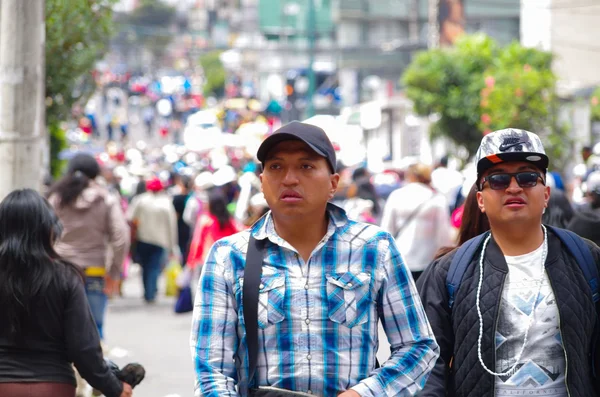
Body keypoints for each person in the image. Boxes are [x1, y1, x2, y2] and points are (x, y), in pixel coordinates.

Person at [190, 121, 439, 396]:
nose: (289, 179)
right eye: (276, 167)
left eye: (306, 166)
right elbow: (212, 369)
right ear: (262, 182)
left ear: (333, 183)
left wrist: (366, 393)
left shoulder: (374, 248)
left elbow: (418, 346)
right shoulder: (230, 256)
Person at [417, 128, 600, 396]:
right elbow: (427, 366)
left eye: (527, 178)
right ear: (480, 199)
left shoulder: (586, 259)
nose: (514, 187)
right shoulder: (448, 272)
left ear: (546, 195)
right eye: (499, 179)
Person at [0, 189, 132, 397]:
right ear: (48, 230)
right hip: (52, 386)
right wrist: (113, 387)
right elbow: (83, 348)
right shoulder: (65, 278)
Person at [47, 153, 130, 339]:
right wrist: (113, 273)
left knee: (59, 329)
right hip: (94, 271)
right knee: (94, 329)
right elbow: (121, 237)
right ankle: (94, 367)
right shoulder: (106, 199)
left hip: (60, 271)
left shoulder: (56, 198)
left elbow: (43, 231)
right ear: (95, 174)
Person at [380, 163, 453, 282]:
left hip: (400, 257)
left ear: (410, 176)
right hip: (427, 259)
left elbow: (387, 228)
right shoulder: (436, 198)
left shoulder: (397, 195)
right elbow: (443, 234)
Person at [127, 177, 178, 303]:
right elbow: (171, 226)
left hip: (143, 239)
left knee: (145, 266)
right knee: (154, 266)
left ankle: (147, 292)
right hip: (160, 241)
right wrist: (172, 246)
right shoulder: (166, 202)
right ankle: (151, 292)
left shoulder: (140, 200)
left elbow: (129, 218)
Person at [186, 191, 239, 272]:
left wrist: (191, 262)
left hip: (208, 262)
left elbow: (197, 243)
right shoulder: (230, 221)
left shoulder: (206, 220)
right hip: (227, 262)